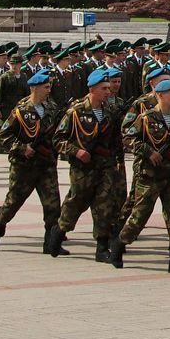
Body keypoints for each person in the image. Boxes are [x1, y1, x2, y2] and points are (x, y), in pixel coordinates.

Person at [116, 77, 170, 272]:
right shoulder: (147, 117)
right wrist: (149, 152)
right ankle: (119, 243)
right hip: (150, 176)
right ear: (159, 95)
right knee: (139, 216)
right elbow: (128, 138)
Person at [52, 67, 127, 262]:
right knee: (75, 203)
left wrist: (119, 161)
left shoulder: (110, 112)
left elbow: (116, 140)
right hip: (83, 168)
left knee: (104, 206)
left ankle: (102, 248)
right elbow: (58, 140)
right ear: (92, 89)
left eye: (109, 88)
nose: (108, 92)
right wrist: (76, 151)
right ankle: (57, 234)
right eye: (104, 88)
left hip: (105, 167)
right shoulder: (76, 111)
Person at [0, 69, 63, 253]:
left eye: (49, 86)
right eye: (45, 87)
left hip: (46, 164)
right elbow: (4, 134)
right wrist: (22, 148)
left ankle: (50, 244)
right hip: (24, 166)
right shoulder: (21, 110)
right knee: (13, 203)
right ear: (34, 88)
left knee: (53, 205)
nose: (48, 90)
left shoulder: (52, 108)